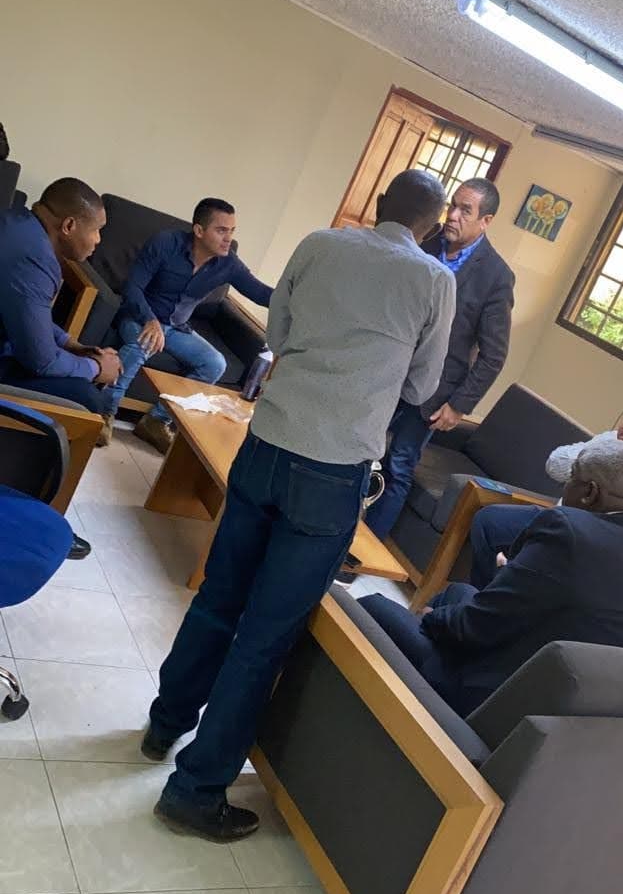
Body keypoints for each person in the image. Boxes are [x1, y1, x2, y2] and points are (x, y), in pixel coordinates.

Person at [142, 169, 456, 842]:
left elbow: (278, 330)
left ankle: (164, 723)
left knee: (218, 598)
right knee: (263, 637)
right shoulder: (434, 281)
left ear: (378, 206)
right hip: (332, 468)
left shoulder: (320, 242)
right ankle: (195, 790)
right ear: (429, 226)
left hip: (267, 442)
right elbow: (423, 384)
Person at [360, 441, 623, 717]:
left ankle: (399, 701)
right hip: (572, 711)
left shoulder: (570, 529)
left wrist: (434, 622)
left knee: (372, 608)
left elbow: (474, 628)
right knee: (458, 592)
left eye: (571, 480)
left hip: (498, 701)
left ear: (589, 492)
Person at [366, 177, 514, 539]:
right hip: (386, 371)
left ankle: (359, 553)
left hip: (434, 392)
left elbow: (494, 354)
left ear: (486, 221)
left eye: (466, 210)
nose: (454, 216)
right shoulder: (423, 243)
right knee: (360, 448)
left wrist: (458, 405)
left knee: (398, 465)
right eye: (453, 206)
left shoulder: (496, 276)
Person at [0, 178, 122, 559]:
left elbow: (23, 311)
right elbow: (41, 361)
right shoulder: (34, 258)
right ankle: (38, 517)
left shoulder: (19, 227)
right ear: (69, 225)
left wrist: (74, 345)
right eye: (97, 230)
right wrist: (97, 370)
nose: (99, 240)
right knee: (85, 399)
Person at [101, 198, 274, 451]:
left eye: (232, 231)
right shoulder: (165, 243)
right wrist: (150, 319)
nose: (229, 238)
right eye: (222, 230)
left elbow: (260, 293)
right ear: (199, 231)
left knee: (215, 364)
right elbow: (133, 287)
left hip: (178, 328)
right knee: (144, 342)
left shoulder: (228, 263)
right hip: (139, 317)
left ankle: (156, 421)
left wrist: (298, 294)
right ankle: (104, 412)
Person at [470, 392, 623, 589]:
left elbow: (621, 555)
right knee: (488, 521)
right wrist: (592, 464)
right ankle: (485, 598)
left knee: (533, 562)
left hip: (587, 553)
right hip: (556, 520)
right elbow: (555, 464)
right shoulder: (614, 441)